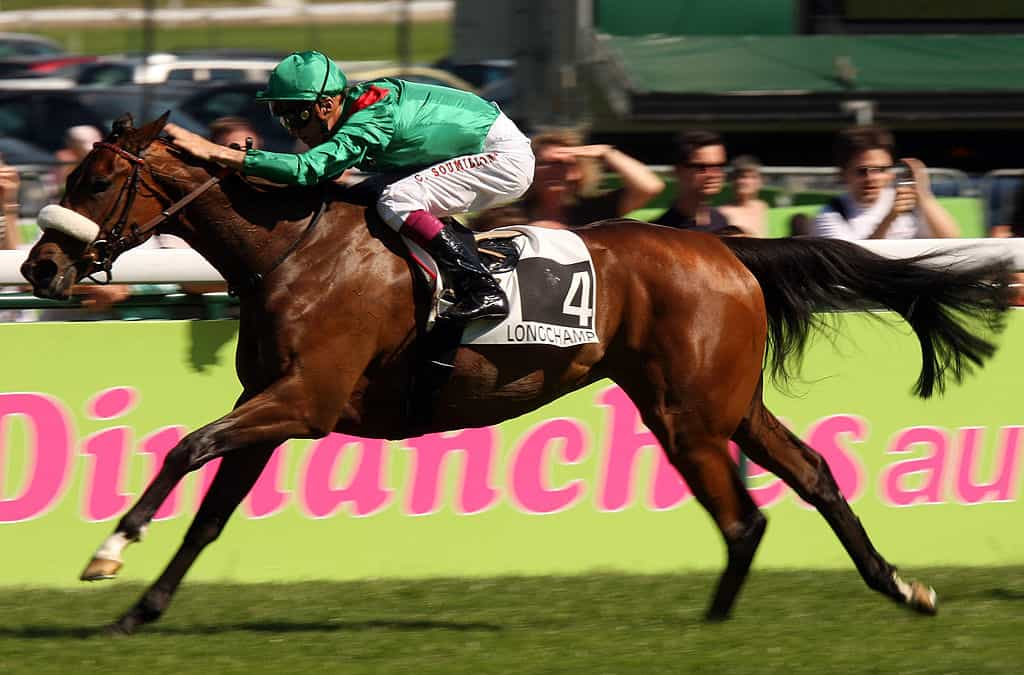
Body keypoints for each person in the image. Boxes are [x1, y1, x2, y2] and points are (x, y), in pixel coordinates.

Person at [163, 50, 534, 323]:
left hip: (502, 156)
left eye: (297, 113)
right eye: (281, 112)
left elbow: (309, 170)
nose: (290, 125)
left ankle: (481, 288)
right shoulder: (353, 110)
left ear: (326, 104)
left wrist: (221, 154)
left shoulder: (369, 119)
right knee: (352, 198)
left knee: (397, 199)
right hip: (465, 150)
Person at [473, 128, 664, 230]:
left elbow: (650, 187)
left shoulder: (596, 212)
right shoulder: (503, 217)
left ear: (579, 172)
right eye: (545, 163)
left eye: (564, 164)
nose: (553, 171)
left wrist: (607, 153)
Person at [812, 125, 959, 240]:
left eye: (881, 170)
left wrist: (923, 193)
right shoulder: (831, 213)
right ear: (843, 174)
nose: (872, 178)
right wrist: (890, 218)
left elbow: (952, 241)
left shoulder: (911, 202)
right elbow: (856, 264)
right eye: (862, 171)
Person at [653, 130, 734, 234]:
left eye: (719, 166)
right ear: (678, 170)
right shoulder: (661, 232)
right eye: (701, 167)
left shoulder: (721, 221)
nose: (713, 174)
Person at [718, 155, 768, 237]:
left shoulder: (763, 207)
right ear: (733, 180)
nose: (746, 182)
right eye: (741, 177)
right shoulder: (722, 213)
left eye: (752, 177)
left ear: (760, 182)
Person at [54, 125, 103, 190]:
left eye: (94, 140)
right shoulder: (64, 158)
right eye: (82, 142)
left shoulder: (107, 158)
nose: (89, 147)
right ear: (70, 143)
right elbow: (59, 186)